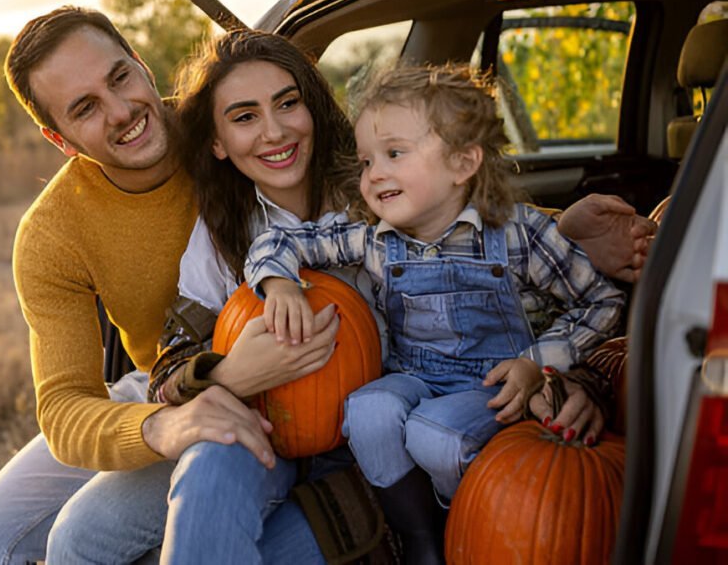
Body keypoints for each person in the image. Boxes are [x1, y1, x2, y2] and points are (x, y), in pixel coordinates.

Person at [0, 7, 650, 563]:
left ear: (139, 65)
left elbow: (464, 221)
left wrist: (570, 229)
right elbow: (125, 379)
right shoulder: (189, 223)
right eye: (84, 108)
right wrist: (211, 384)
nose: (121, 110)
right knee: (39, 540)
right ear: (61, 139)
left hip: (376, 414)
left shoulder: (365, 188)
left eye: (119, 78)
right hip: (226, 396)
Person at [244, 63, 626, 563]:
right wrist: (279, 284)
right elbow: (279, 239)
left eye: (394, 154)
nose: (374, 173)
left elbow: (603, 301)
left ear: (463, 162)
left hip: (490, 388)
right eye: (365, 162)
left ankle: (463, 521)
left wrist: (538, 362)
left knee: (433, 433)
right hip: (415, 377)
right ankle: (420, 537)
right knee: (369, 412)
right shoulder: (370, 236)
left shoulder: (519, 235)